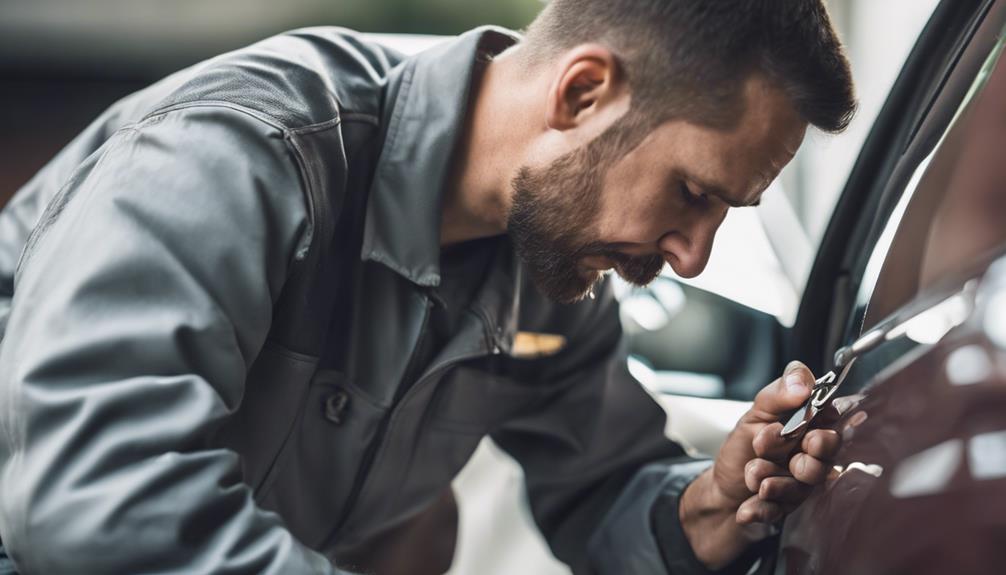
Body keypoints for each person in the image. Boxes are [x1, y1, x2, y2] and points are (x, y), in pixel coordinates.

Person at [0, 1, 856, 573]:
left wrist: (714, 501)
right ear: (583, 93)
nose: (693, 255)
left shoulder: (549, 273)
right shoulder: (239, 153)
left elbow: (600, 487)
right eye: (692, 192)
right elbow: (94, 496)